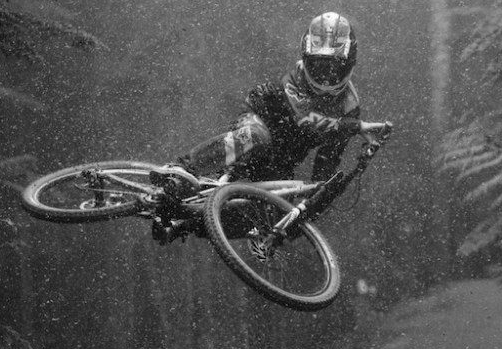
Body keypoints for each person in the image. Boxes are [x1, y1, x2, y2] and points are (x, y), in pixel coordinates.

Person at [149, 11, 392, 223]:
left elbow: (328, 159)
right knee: (257, 137)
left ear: (349, 63)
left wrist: (318, 195)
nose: (326, 79)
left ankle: (186, 223)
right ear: (306, 60)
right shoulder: (298, 77)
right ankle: (182, 167)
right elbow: (304, 117)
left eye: (334, 68)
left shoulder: (350, 106)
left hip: (284, 158)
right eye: (318, 67)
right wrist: (354, 126)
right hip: (260, 121)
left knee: (274, 216)